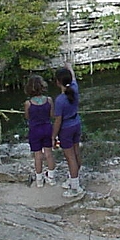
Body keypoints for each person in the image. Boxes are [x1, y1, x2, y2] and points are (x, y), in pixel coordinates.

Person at [53, 65, 83, 198]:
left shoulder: (60, 100)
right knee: (76, 153)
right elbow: (74, 77)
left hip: (66, 128)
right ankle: (73, 179)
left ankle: (75, 187)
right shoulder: (74, 89)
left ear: (58, 82)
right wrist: (70, 67)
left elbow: (58, 121)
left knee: (70, 158)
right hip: (76, 123)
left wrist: (53, 136)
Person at [23, 74, 57, 187]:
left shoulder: (28, 103)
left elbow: (27, 117)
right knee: (49, 153)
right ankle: (51, 177)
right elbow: (52, 115)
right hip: (47, 128)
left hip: (35, 130)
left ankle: (39, 180)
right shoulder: (49, 100)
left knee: (38, 155)